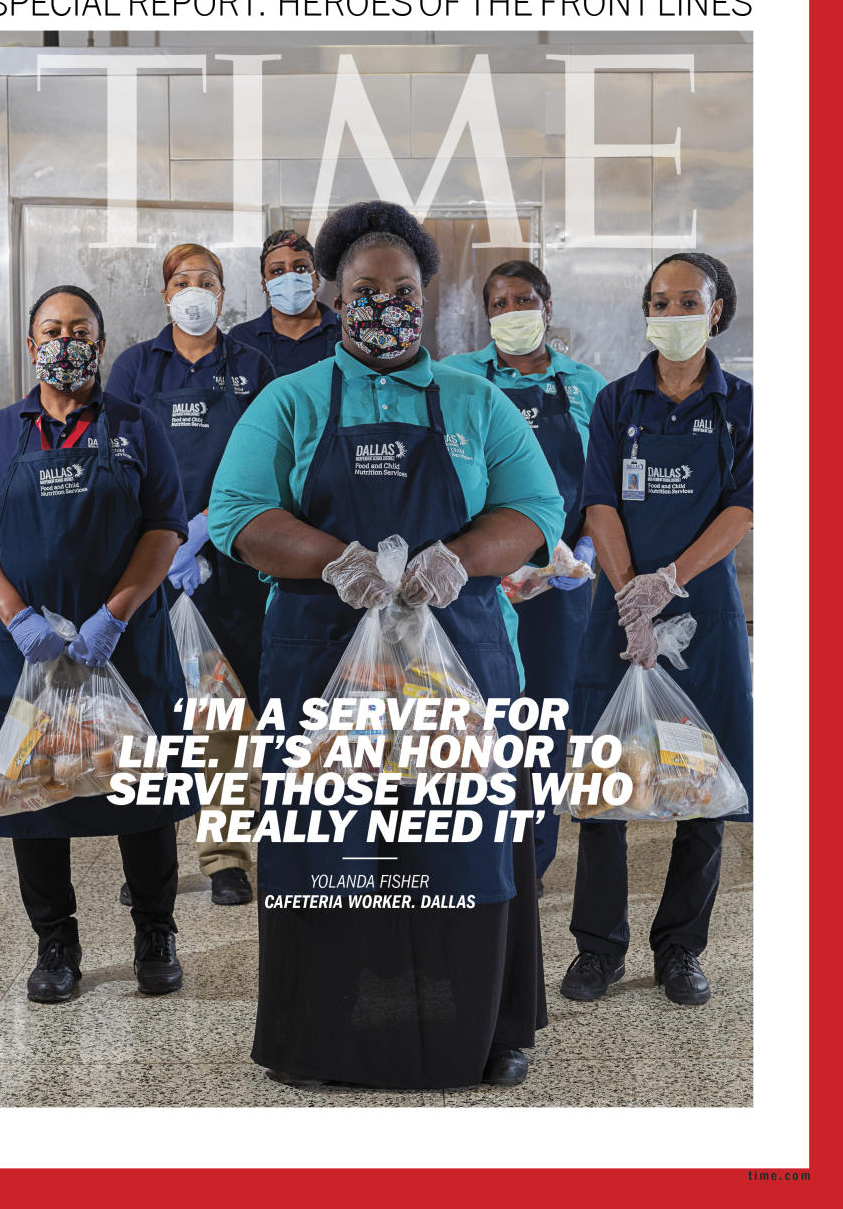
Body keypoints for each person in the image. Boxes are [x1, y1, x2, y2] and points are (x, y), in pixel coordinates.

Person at [208, 201, 566, 1091]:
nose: (383, 306)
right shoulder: (289, 401)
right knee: (332, 848)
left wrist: (457, 559)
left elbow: (537, 512)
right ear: (333, 295)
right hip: (324, 662)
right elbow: (235, 515)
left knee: (462, 845)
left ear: (428, 295)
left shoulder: (474, 401)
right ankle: (322, 1039)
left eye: (401, 290)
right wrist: (340, 563)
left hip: (459, 665)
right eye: (364, 291)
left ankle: (484, 1033)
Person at [0, 285, 199, 1003]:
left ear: (101, 344)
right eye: (52, 329)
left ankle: (155, 931)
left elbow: (164, 528)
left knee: (141, 792)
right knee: (35, 801)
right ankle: (55, 942)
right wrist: (16, 616)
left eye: (80, 330)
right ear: (30, 345)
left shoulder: (139, 427)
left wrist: (115, 614)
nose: (65, 341)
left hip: (126, 647)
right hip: (25, 654)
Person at [562, 252, 753, 1008]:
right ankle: (597, 951)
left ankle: (680, 950)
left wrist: (670, 581)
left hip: (703, 621)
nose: (672, 314)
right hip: (619, 616)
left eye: (688, 302)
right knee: (608, 780)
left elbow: (743, 509)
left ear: (716, 312)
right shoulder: (617, 403)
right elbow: (599, 503)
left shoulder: (740, 406)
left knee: (701, 788)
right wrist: (630, 596)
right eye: (659, 301)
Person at [107, 244, 274, 906]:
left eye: (206, 281)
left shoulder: (251, 368)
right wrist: (167, 539)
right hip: (153, 568)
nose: (194, 291)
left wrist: (206, 528)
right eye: (183, 281)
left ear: (225, 293)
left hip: (232, 571)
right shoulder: (134, 367)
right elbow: (112, 460)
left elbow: (266, 464)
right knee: (151, 715)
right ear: (165, 293)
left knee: (226, 714)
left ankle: (225, 856)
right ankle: (150, 854)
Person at [443, 262, 606, 894]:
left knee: (547, 717)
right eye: (501, 301)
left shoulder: (585, 385)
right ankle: (479, 846)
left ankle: (532, 856)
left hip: (562, 583)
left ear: (547, 303)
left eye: (526, 299)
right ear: (487, 314)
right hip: (485, 577)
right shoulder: (459, 379)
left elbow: (602, 484)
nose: (515, 310)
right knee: (478, 712)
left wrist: (584, 551)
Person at [228, 229, 340, 376]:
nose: (291, 277)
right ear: (264, 284)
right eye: (278, 271)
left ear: (317, 277)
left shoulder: (345, 332)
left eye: (301, 267)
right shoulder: (241, 339)